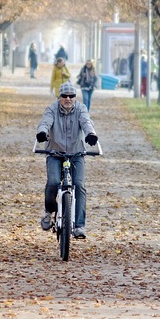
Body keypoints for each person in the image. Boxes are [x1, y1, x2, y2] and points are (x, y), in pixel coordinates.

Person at [35, 82, 98, 239]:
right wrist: (42, 133)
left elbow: (86, 122)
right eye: (64, 96)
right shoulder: (51, 109)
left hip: (76, 153)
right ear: (59, 97)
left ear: (75, 97)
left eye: (71, 96)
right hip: (55, 152)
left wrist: (90, 134)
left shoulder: (81, 108)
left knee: (79, 184)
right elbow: (45, 122)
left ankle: (79, 226)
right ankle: (49, 212)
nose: (68, 99)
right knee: (53, 181)